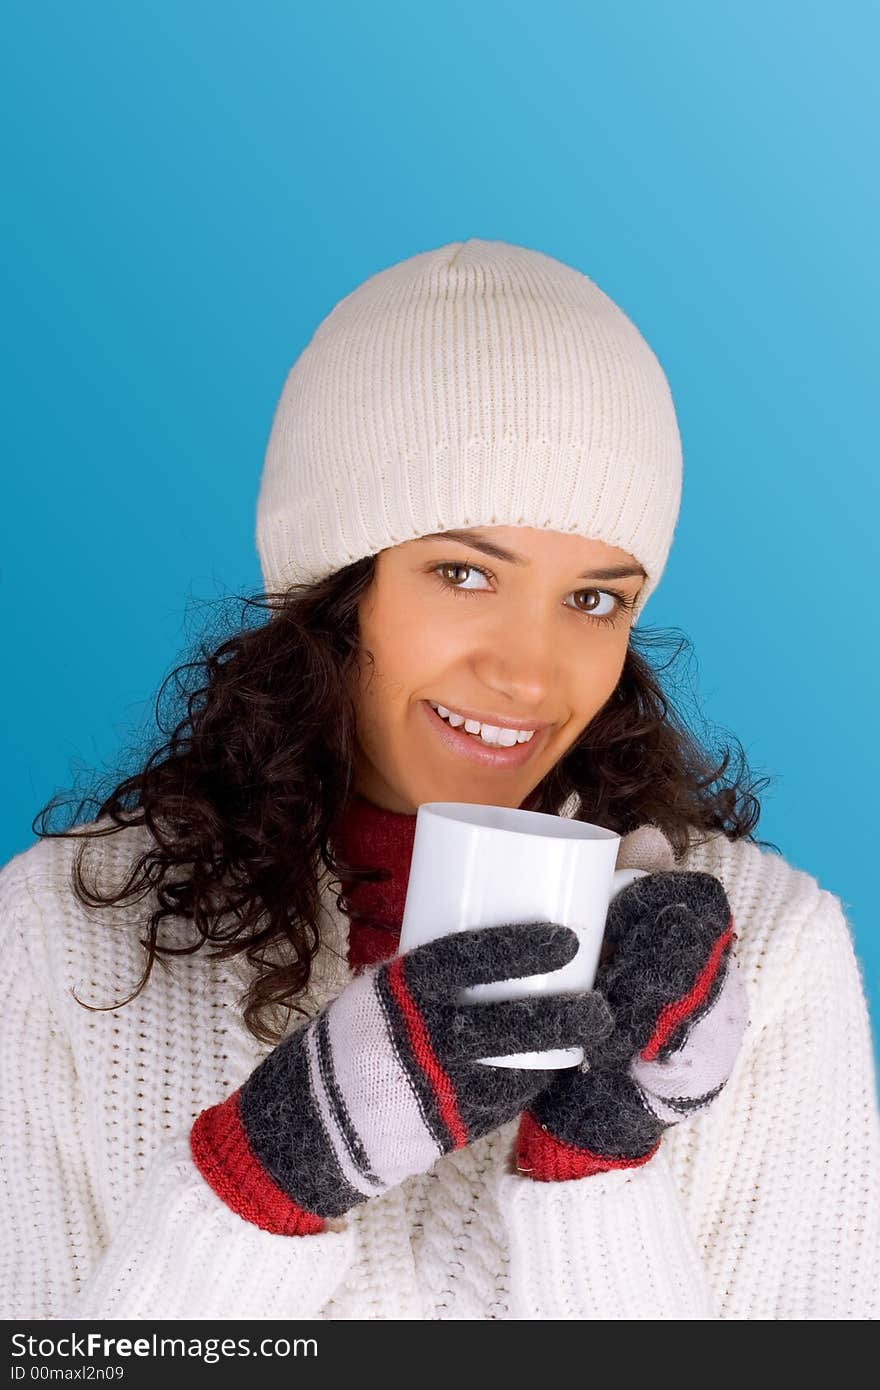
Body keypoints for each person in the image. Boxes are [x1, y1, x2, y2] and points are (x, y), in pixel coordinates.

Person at [1, 239, 878, 1321]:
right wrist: (256, 1184)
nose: (527, 672)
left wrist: (595, 1179)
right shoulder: (58, 931)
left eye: (594, 599)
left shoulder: (766, 952)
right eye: (463, 573)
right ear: (335, 587)